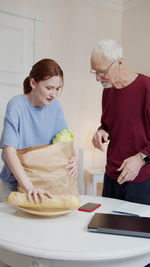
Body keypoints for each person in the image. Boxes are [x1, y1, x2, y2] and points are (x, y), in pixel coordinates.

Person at [0, 58, 78, 203]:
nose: (53, 94)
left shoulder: (55, 106)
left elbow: (67, 140)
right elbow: (9, 151)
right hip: (15, 184)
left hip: (45, 184)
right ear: (33, 83)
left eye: (57, 89)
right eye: (49, 88)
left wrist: (75, 158)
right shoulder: (16, 105)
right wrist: (29, 188)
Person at [91, 39, 150, 205]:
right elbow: (108, 125)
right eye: (94, 72)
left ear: (120, 62)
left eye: (101, 71)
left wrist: (140, 159)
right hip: (111, 178)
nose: (97, 78)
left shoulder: (147, 88)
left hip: (141, 182)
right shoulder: (107, 91)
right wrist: (101, 131)